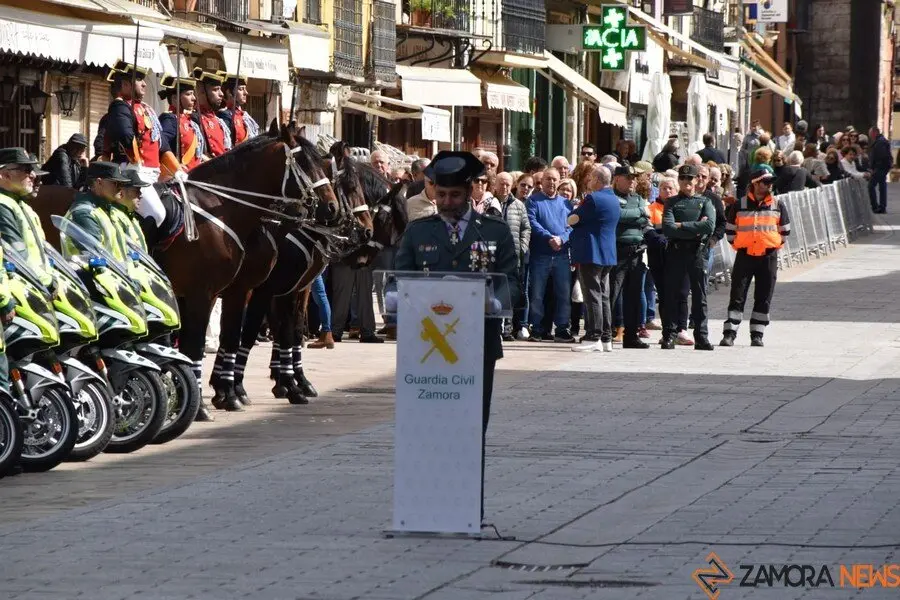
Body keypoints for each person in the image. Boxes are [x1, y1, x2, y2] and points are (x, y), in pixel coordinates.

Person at [394, 150, 519, 438]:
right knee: (428, 427)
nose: (447, 203)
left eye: (455, 195)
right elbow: (401, 276)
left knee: (472, 428)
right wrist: (397, 296)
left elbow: (512, 281)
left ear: (470, 192)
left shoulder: (494, 231)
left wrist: (495, 300)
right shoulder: (418, 232)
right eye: (442, 195)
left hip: (477, 341)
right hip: (426, 344)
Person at [103, 61, 184, 238]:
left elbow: (162, 145)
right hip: (131, 172)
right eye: (139, 79)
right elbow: (125, 136)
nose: (145, 83)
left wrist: (177, 170)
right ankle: (143, 253)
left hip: (152, 174)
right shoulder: (120, 106)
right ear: (125, 85)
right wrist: (137, 163)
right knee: (157, 214)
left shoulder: (146, 109)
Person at [720, 166, 791, 348]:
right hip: (745, 256)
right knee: (737, 295)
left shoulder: (777, 204)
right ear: (755, 183)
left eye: (771, 182)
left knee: (764, 296)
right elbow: (730, 231)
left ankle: (757, 335)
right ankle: (729, 334)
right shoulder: (739, 205)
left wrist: (771, 246)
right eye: (765, 182)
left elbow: (785, 232)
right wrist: (741, 246)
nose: (769, 185)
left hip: (768, 257)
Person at [660, 164, 715, 351]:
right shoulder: (672, 202)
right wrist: (695, 226)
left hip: (697, 252)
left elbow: (709, 227)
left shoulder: (705, 201)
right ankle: (669, 335)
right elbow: (668, 227)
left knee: (700, 296)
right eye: (682, 179)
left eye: (690, 178)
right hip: (676, 251)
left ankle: (701, 336)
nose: (686, 182)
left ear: (696, 180)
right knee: (672, 295)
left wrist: (681, 225)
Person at [569, 167, 618, 352]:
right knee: (603, 295)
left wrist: (572, 212)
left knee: (592, 296)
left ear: (597, 179)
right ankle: (606, 338)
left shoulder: (593, 198)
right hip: (607, 254)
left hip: (592, 252)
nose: (589, 181)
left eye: (591, 178)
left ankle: (594, 336)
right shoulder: (613, 198)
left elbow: (573, 219)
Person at [527, 168, 574, 343]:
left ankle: (562, 329)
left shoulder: (566, 203)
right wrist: (549, 238)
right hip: (541, 254)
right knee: (537, 294)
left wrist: (561, 239)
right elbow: (532, 222)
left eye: (555, 179)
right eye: (548, 179)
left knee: (563, 293)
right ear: (542, 181)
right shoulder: (533, 201)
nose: (551, 182)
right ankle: (537, 329)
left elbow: (571, 227)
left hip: (561, 254)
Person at [608, 164, 650, 349]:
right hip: (617, 251)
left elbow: (645, 219)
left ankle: (631, 335)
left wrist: (637, 214)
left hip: (636, 252)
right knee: (612, 295)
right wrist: (639, 213)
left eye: (634, 178)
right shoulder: (610, 198)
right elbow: (616, 215)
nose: (633, 181)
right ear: (617, 179)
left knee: (633, 296)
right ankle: (605, 332)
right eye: (629, 177)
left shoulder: (638, 198)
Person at [65, 162, 131, 261]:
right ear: (99, 182)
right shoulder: (84, 213)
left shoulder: (105, 209)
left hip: (117, 272)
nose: (120, 188)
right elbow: (93, 258)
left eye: (122, 184)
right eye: (116, 183)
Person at [497, 172, 530, 342]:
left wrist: (522, 247)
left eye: (507, 184)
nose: (504, 187)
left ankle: (508, 329)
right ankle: (496, 326)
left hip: (513, 256)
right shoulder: (491, 203)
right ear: (495, 184)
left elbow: (526, 228)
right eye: (501, 183)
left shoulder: (518, 205)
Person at [158, 75, 207, 171]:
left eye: (193, 94)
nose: (194, 98)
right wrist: (175, 165)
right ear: (175, 98)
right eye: (189, 94)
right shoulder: (170, 119)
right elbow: (161, 145)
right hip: (179, 176)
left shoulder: (190, 120)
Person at [191, 68, 231, 159]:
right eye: (215, 89)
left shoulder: (217, 120)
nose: (221, 94)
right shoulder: (193, 119)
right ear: (201, 92)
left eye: (220, 89)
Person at [218, 73, 260, 146]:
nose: (246, 93)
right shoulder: (224, 115)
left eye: (245, 89)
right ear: (229, 93)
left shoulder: (243, 115)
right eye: (241, 89)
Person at [868, 126, 892, 214]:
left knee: (871, 186)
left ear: (875, 133)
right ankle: (882, 207)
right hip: (882, 168)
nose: (870, 136)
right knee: (882, 186)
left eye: (870, 134)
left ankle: (875, 207)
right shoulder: (881, 141)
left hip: (880, 168)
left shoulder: (880, 142)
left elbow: (881, 156)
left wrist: (875, 168)